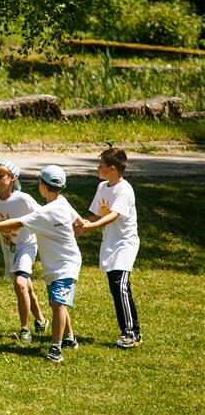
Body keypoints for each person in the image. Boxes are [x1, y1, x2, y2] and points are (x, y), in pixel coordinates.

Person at [0, 165, 83, 363]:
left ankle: (56, 347)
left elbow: (17, 222)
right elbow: (78, 220)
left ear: (43, 186)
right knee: (58, 302)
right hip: (55, 265)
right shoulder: (62, 202)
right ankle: (70, 339)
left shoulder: (45, 212)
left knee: (57, 304)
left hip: (65, 265)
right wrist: (82, 225)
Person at [78, 147, 141, 349]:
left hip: (125, 244)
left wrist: (92, 226)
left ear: (112, 168)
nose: (98, 168)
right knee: (116, 288)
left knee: (121, 287)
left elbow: (113, 215)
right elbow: (98, 214)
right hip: (110, 244)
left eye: (101, 165)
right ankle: (129, 331)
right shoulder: (103, 187)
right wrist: (81, 225)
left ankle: (131, 334)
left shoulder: (125, 190)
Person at [0, 160, 46, 343]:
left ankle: (25, 329)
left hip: (26, 246)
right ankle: (40, 319)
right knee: (26, 287)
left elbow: (43, 216)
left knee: (19, 284)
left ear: (12, 178)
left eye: (1, 176)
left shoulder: (23, 199)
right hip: (9, 249)